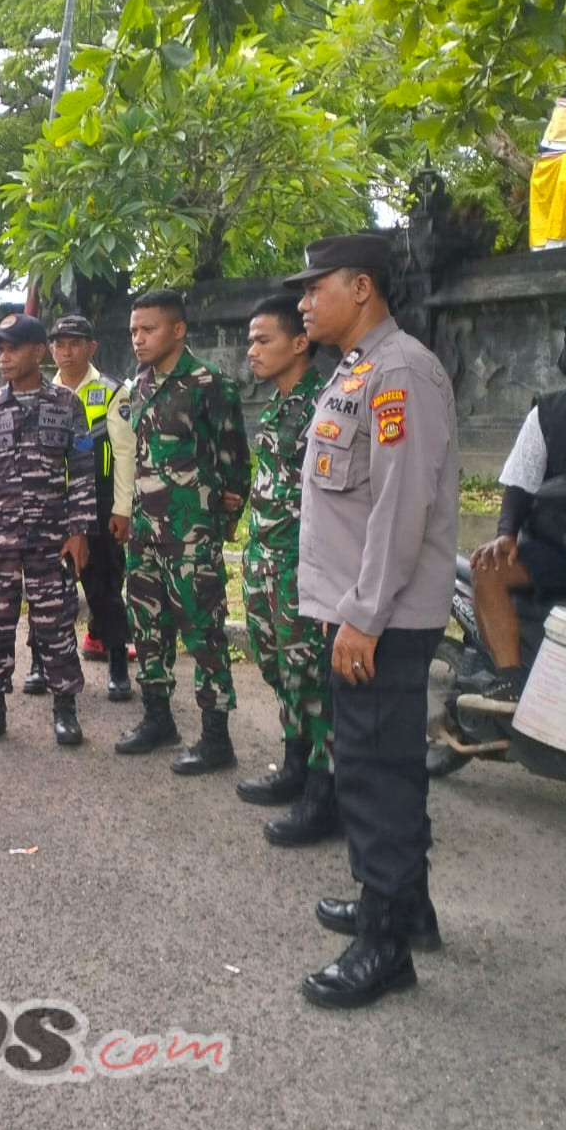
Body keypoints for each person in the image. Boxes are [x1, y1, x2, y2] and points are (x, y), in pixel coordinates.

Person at [286, 232, 459, 1009]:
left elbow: (400, 510)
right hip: (363, 612)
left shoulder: (400, 374)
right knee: (384, 767)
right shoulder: (359, 371)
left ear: (360, 288)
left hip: (378, 619)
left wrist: (360, 616)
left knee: (375, 776)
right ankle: (405, 906)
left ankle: (384, 946)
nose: (302, 301)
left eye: (314, 286)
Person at [113, 289, 249, 774]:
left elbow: (235, 462)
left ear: (177, 330)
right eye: (133, 330)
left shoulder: (209, 385)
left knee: (203, 631)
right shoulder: (141, 385)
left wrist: (222, 521)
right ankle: (158, 718)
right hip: (145, 531)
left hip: (191, 534)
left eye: (147, 329)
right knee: (147, 626)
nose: (138, 338)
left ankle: (216, 737)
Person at [0, 314, 94, 746]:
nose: (3, 356)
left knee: (55, 625)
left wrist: (79, 530)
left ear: (38, 352)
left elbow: (83, 472)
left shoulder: (67, 404)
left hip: (52, 541)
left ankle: (65, 709)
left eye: (12, 348)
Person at [238, 296, 338, 847]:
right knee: (281, 671)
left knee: (313, 681)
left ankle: (326, 794)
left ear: (300, 343)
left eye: (263, 341)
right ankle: (295, 766)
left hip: (304, 568)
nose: (252, 351)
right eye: (251, 341)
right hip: (267, 563)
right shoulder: (279, 405)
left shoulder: (323, 405)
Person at [460, 299, 566, 713]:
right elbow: (521, 480)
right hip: (557, 551)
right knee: (487, 571)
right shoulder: (548, 413)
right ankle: (511, 677)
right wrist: (506, 534)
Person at [26, 314, 132, 703]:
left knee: (105, 585)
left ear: (92, 348)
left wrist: (122, 509)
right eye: (59, 344)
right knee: (45, 588)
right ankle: (39, 662)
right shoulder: (39, 393)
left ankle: (117, 660)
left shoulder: (111, 391)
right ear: (49, 348)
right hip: (52, 503)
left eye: (74, 343)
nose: (65, 352)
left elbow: (124, 455)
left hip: (100, 502)